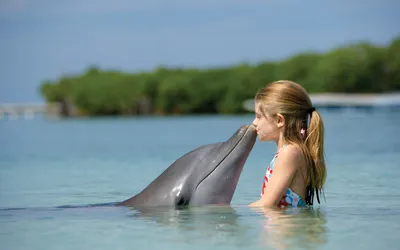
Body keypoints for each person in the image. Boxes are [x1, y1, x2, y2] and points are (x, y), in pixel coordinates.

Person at [249, 80, 326, 208]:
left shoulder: (290, 152)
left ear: (279, 120)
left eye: (259, 116)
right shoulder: (292, 151)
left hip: (288, 228)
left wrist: (229, 213)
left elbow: (266, 205)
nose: (254, 122)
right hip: (286, 227)